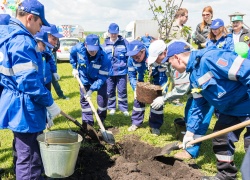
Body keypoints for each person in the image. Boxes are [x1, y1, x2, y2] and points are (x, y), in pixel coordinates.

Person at [164, 40, 250, 180]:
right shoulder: (194, 75)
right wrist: (190, 133)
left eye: (170, 62)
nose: (171, 67)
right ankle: (225, 176)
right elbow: (199, 105)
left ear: (177, 58)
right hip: (229, 110)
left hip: (247, 104)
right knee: (221, 138)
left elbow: (247, 70)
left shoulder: (211, 58)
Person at [0, 0, 61, 179]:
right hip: (25, 107)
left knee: (23, 151)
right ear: (30, 18)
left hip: (17, 104)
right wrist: (49, 104)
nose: (40, 30)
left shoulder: (7, 34)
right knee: (30, 158)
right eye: (40, 25)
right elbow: (29, 82)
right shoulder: (22, 41)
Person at [148, 40, 214, 160]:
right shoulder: (170, 59)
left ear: (163, 53)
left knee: (199, 118)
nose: (157, 62)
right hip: (195, 91)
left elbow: (182, 88)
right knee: (189, 114)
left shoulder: (179, 59)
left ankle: (191, 151)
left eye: (156, 58)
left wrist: (164, 98)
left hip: (207, 91)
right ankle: (189, 138)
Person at [126, 40, 167, 135]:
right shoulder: (131, 59)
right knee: (138, 101)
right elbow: (131, 75)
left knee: (156, 104)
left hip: (157, 80)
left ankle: (155, 126)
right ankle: (136, 122)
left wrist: (161, 91)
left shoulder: (154, 54)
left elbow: (163, 76)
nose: (135, 59)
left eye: (137, 56)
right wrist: (135, 88)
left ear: (143, 50)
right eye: (133, 57)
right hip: (142, 81)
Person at [70, 34, 111, 126]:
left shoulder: (105, 58)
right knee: (85, 100)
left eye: (95, 49)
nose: (93, 52)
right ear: (85, 45)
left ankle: (101, 119)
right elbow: (72, 55)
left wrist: (92, 89)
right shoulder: (78, 48)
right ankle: (88, 123)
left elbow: (102, 78)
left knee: (102, 100)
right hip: (84, 78)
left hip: (99, 79)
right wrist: (74, 67)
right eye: (90, 49)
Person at [102, 23, 129, 116]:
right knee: (110, 90)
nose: (113, 35)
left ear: (118, 32)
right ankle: (112, 107)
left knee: (122, 90)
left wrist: (129, 70)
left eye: (115, 33)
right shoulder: (104, 44)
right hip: (109, 73)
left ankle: (123, 108)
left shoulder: (124, 42)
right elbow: (102, 58)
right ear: (108, 32)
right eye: (111, 33)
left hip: (121, 72)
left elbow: (129, 57)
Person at [41, 24, 62, 93]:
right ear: (46, 36)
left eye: (57, 39)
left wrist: (54, 71)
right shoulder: (38, 49)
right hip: (40, 82)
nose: (56, 42)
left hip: (47, 79)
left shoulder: (48, 49)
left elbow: (51, 61)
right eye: (54, 39)